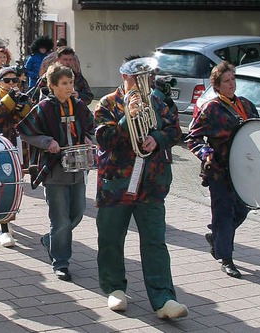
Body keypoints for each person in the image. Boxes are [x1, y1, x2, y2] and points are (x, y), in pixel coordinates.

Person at [94, 56, 187, 318]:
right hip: (116, 184)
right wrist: (127, 118)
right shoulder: (108, 104)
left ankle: (164, 299)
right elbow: (104, 138)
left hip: (151, 183)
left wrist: (157, 138)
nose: (144, 82)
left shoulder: (158, 101)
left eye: (148, 76)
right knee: (111, 240)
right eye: (138, 77)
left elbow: (175, 131)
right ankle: (114, 289)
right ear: (124, 77)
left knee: (155, 242)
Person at [16, 65, 93, 281]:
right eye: (64, 83)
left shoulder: (78, 106)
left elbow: (92, 128)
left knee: (77, 213)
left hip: (78, 170)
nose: (70, 87)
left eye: (71, 82)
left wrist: (88, 137)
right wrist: (47, 142)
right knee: (60, 219)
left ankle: (50, 239)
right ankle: (61, 262)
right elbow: (25, 132)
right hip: (54, 170)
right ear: (52, 86)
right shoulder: (43, 108)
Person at [187, 61, 258, 279]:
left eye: (233, 79)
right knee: (224, 214)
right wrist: (205, 152)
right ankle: (226, 259)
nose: (231, 84)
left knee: (242, 210)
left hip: (243, 171)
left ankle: (217, 237)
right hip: (219, 170)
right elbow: (193, 138)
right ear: (217, 86)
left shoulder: (246, 105)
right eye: (226, 81)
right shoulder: (212, 108)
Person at [0, 66, 32, 247]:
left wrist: (23, 106)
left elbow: (31, 118)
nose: (11, 84)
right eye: (7, 80)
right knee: (2, 184)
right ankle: (3, 225)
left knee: (16, 184)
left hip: (18, 146)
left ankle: (5, 217)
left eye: (14, 80)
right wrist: (9, 100)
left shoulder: (21, 96)